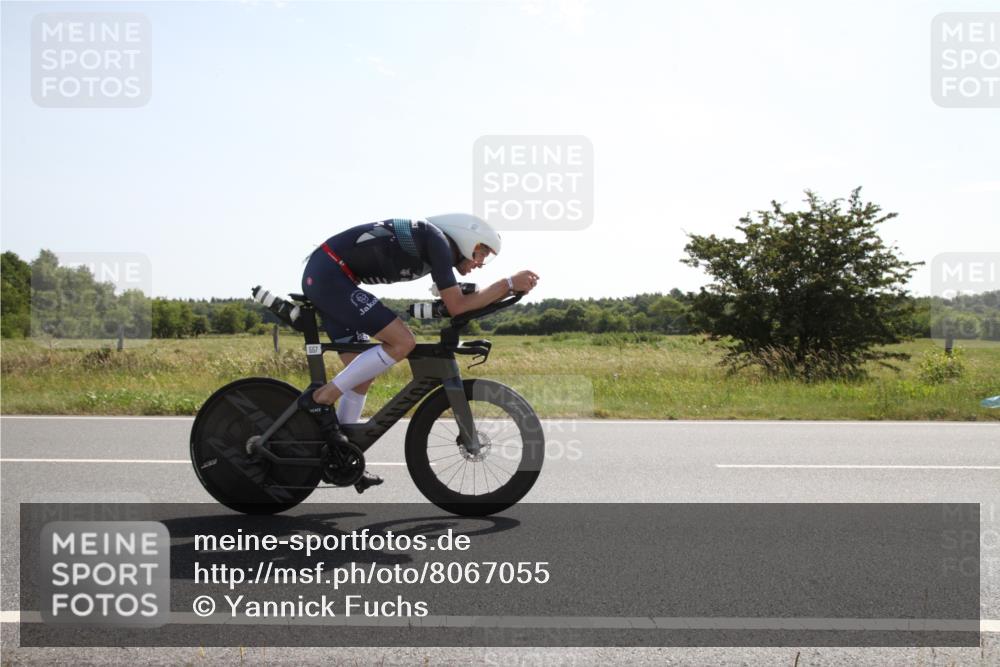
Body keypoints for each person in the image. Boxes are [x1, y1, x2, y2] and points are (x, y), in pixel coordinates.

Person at [298, 214, 539, 492]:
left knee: (360, 376)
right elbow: (458, 305)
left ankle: (339, 454)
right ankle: (322, 398)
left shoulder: (436, 249)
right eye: (480, 252)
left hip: (331, 276)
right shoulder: (436, 240)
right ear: (466, 236)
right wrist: (508, 284)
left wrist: (502, 291)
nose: (479, 263)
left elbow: (454, 304)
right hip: (331, 275)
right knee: (402, 342)